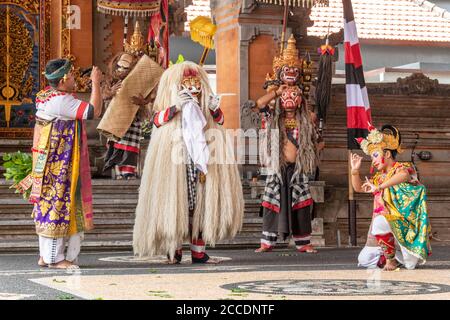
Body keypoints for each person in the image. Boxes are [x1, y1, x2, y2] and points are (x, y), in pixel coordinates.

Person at [133, 61, 244, 264]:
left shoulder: (206, 105)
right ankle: (173, 251)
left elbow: (219, 122)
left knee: (200, 206)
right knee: (174, 204)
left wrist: (214, 110)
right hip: (174, 164)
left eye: (196, 84)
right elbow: (157, 121)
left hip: (201, 163)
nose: (193, 88)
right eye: (187, 84)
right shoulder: (168, 104)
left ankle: (198, 252)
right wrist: (176, 107)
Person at [248, 35, 321, 254]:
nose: (290, 99)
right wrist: (277, 92)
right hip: (276, 166)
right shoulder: (273, 116)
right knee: (271, 202)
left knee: (301, 204)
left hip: (298, 167)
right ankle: (267, 242)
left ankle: (303, 242)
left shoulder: (306, 118)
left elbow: (314, 126)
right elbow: (257, 105)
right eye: (286, 97)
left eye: (294, 95)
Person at [30, 58, 102, 269]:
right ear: (62, 80)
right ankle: (55, 258)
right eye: (71, 76)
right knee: (58, 205)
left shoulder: (45, 95)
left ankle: (46, 255)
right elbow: (93, 112)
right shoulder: (62, 102)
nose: (74, 79)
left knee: (48, 204)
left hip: (47, 161)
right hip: (59, 165)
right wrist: (96, 83)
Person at [351, 124, 432, 271]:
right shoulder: (378, 177)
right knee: (364, 259)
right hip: (385, 225)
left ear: (387, 154)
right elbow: (358, 188)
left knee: (410, 264)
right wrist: (355, 171)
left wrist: (381, 187)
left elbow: (403, 176)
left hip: (404, 225)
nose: (373, 161)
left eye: (375, 155)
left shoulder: (403, 167)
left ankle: (396, 258)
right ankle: (390, 258)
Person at [100, 22, 162, 179]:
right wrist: (111, 92)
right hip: (114, 117)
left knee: (130, 147)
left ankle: (129, 172)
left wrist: (144, 101)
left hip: (134, 118)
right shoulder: (111, 80)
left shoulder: (142, 78)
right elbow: (103, 95)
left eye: (126, 68)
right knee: (116, 146)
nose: (121, 70)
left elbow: (153, 98)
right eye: (119, 67)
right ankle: (118, 172)